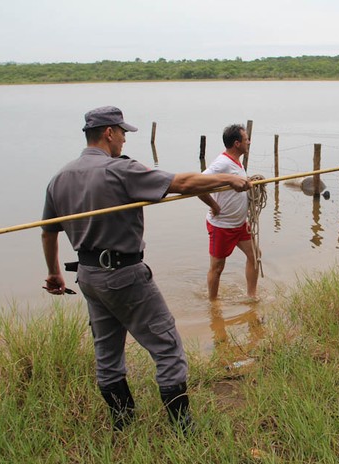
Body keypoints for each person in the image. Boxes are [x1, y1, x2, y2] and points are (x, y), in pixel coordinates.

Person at [41, 106, 250, 433]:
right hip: (125, 275)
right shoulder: (118, 170)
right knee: (168, 348)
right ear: (109, 133)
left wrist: (54, 272)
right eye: (123, 132)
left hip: (88, 277)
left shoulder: (60, 178)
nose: (125, 139)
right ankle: (184, 431)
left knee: (107, 354)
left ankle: (123, 425)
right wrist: (230, 179)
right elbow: (181, 182)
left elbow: (48, 230)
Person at [199, 124, 259, 301]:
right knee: (217, 268)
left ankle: (252, 296)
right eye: (246, 139)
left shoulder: (237, 161)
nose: (249, 141)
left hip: (240, 224)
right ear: (237, 143)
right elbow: (199, 184)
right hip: (222, 226)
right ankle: (213, 304)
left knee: (255, 255)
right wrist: (214, 205)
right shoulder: (222, 163)